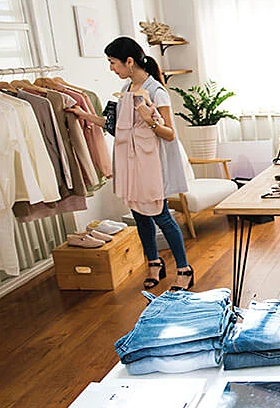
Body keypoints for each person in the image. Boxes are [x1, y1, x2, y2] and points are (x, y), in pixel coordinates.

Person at [66, 36, 194, 291]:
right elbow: (115, 126)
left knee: (161, 215)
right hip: (130, 164)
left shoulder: (156, 91)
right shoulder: (125, 91)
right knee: (139, 215)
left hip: (151, 165)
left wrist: (150, 120)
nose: (111, 68)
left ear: (129, 61)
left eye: (113, 62)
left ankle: (184, 269)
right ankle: (154, 263)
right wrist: (84, 115)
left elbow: (169, 133)